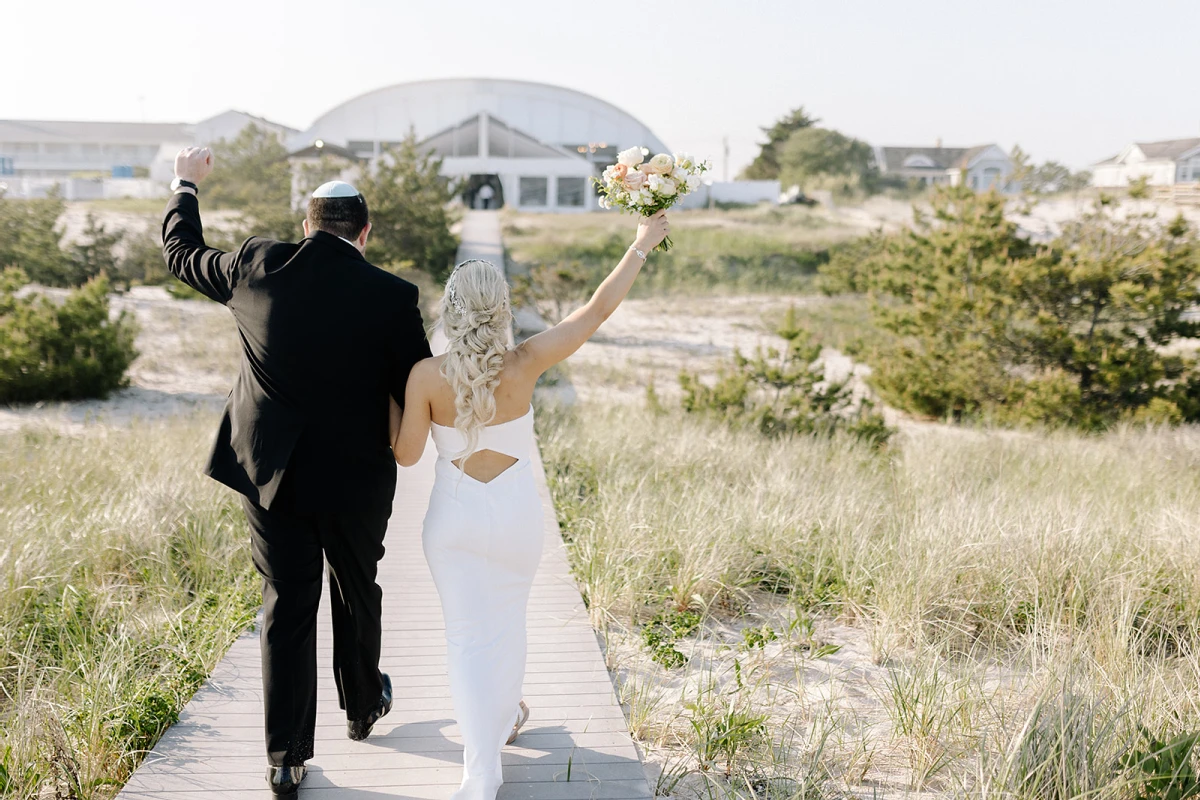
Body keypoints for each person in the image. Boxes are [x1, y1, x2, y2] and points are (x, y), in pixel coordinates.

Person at [162, 147, 432, 799]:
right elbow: (418, 382)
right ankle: (363, 705)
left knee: (286, 602)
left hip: (270, 473)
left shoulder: (257, 263)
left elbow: (181, 255)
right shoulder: (393, 296)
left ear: (306, 226)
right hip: (356, 475)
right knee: (356, 585)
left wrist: (186, 184)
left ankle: (286, 759)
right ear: (363, 234)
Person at [389, 210, 671, 800]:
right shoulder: (526, 361)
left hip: (454, 519)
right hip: (515, 515)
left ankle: (480, 767)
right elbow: (594, 311)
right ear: (500, 308)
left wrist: (393, 401)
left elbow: (408, 457)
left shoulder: (424, 376)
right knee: (507, 626)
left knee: (467, 637)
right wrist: (641, 245)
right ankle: (494, 737)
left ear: (451, 308)